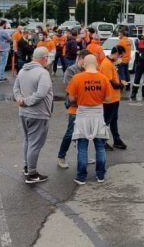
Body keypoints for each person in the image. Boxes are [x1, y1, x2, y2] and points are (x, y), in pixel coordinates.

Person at [67, 55, 110, 185]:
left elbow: (71, 99)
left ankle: (81, 177)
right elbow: (108, 99)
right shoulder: (103, 78)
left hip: (82, 114)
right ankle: (100, 175)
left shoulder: (77, 78)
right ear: (96, 64)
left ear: (84, 64)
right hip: (98, 113)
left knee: (82, 147)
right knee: (100, 146)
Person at [14, 47, 54, 184]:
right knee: (35, 144)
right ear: (44, 58)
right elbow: (41, 93)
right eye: (47, 58)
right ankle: (32, 173)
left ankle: (27, 167)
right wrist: (27, 102)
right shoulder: (43, 73)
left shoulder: (22, 70)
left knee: (28, 141)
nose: (47, 61)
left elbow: (16, 89)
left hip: (24, 113)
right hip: (38, 113)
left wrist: (20, 99)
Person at [58, 50, 89, 169]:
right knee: (70, 133)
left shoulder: (89, 70)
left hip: (86, 107)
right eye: (85, 61)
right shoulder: (71, 70)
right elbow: (70, 89)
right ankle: (61, 156)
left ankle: (83, 156)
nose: (86, 64)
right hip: (74, 107)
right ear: (80, 58)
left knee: (85, 133)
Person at [101, 46, 127, 150]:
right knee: (107, 121)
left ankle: (116, 139)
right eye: (120, 55)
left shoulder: (110, 63)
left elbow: (114, 80)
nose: (120, 58)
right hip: (109, 99)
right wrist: (121, 85)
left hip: (114, 97)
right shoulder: (107, 64)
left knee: (113, 120)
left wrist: (120, 83)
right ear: (116, 53)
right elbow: (111, 83)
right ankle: (102, 141)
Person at [131, 30, 144, 101]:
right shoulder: (139, 43)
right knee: (137, 79)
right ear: (143, 36)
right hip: (140, 63)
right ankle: (134, 92)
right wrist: (136, 62)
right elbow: (137, 53)